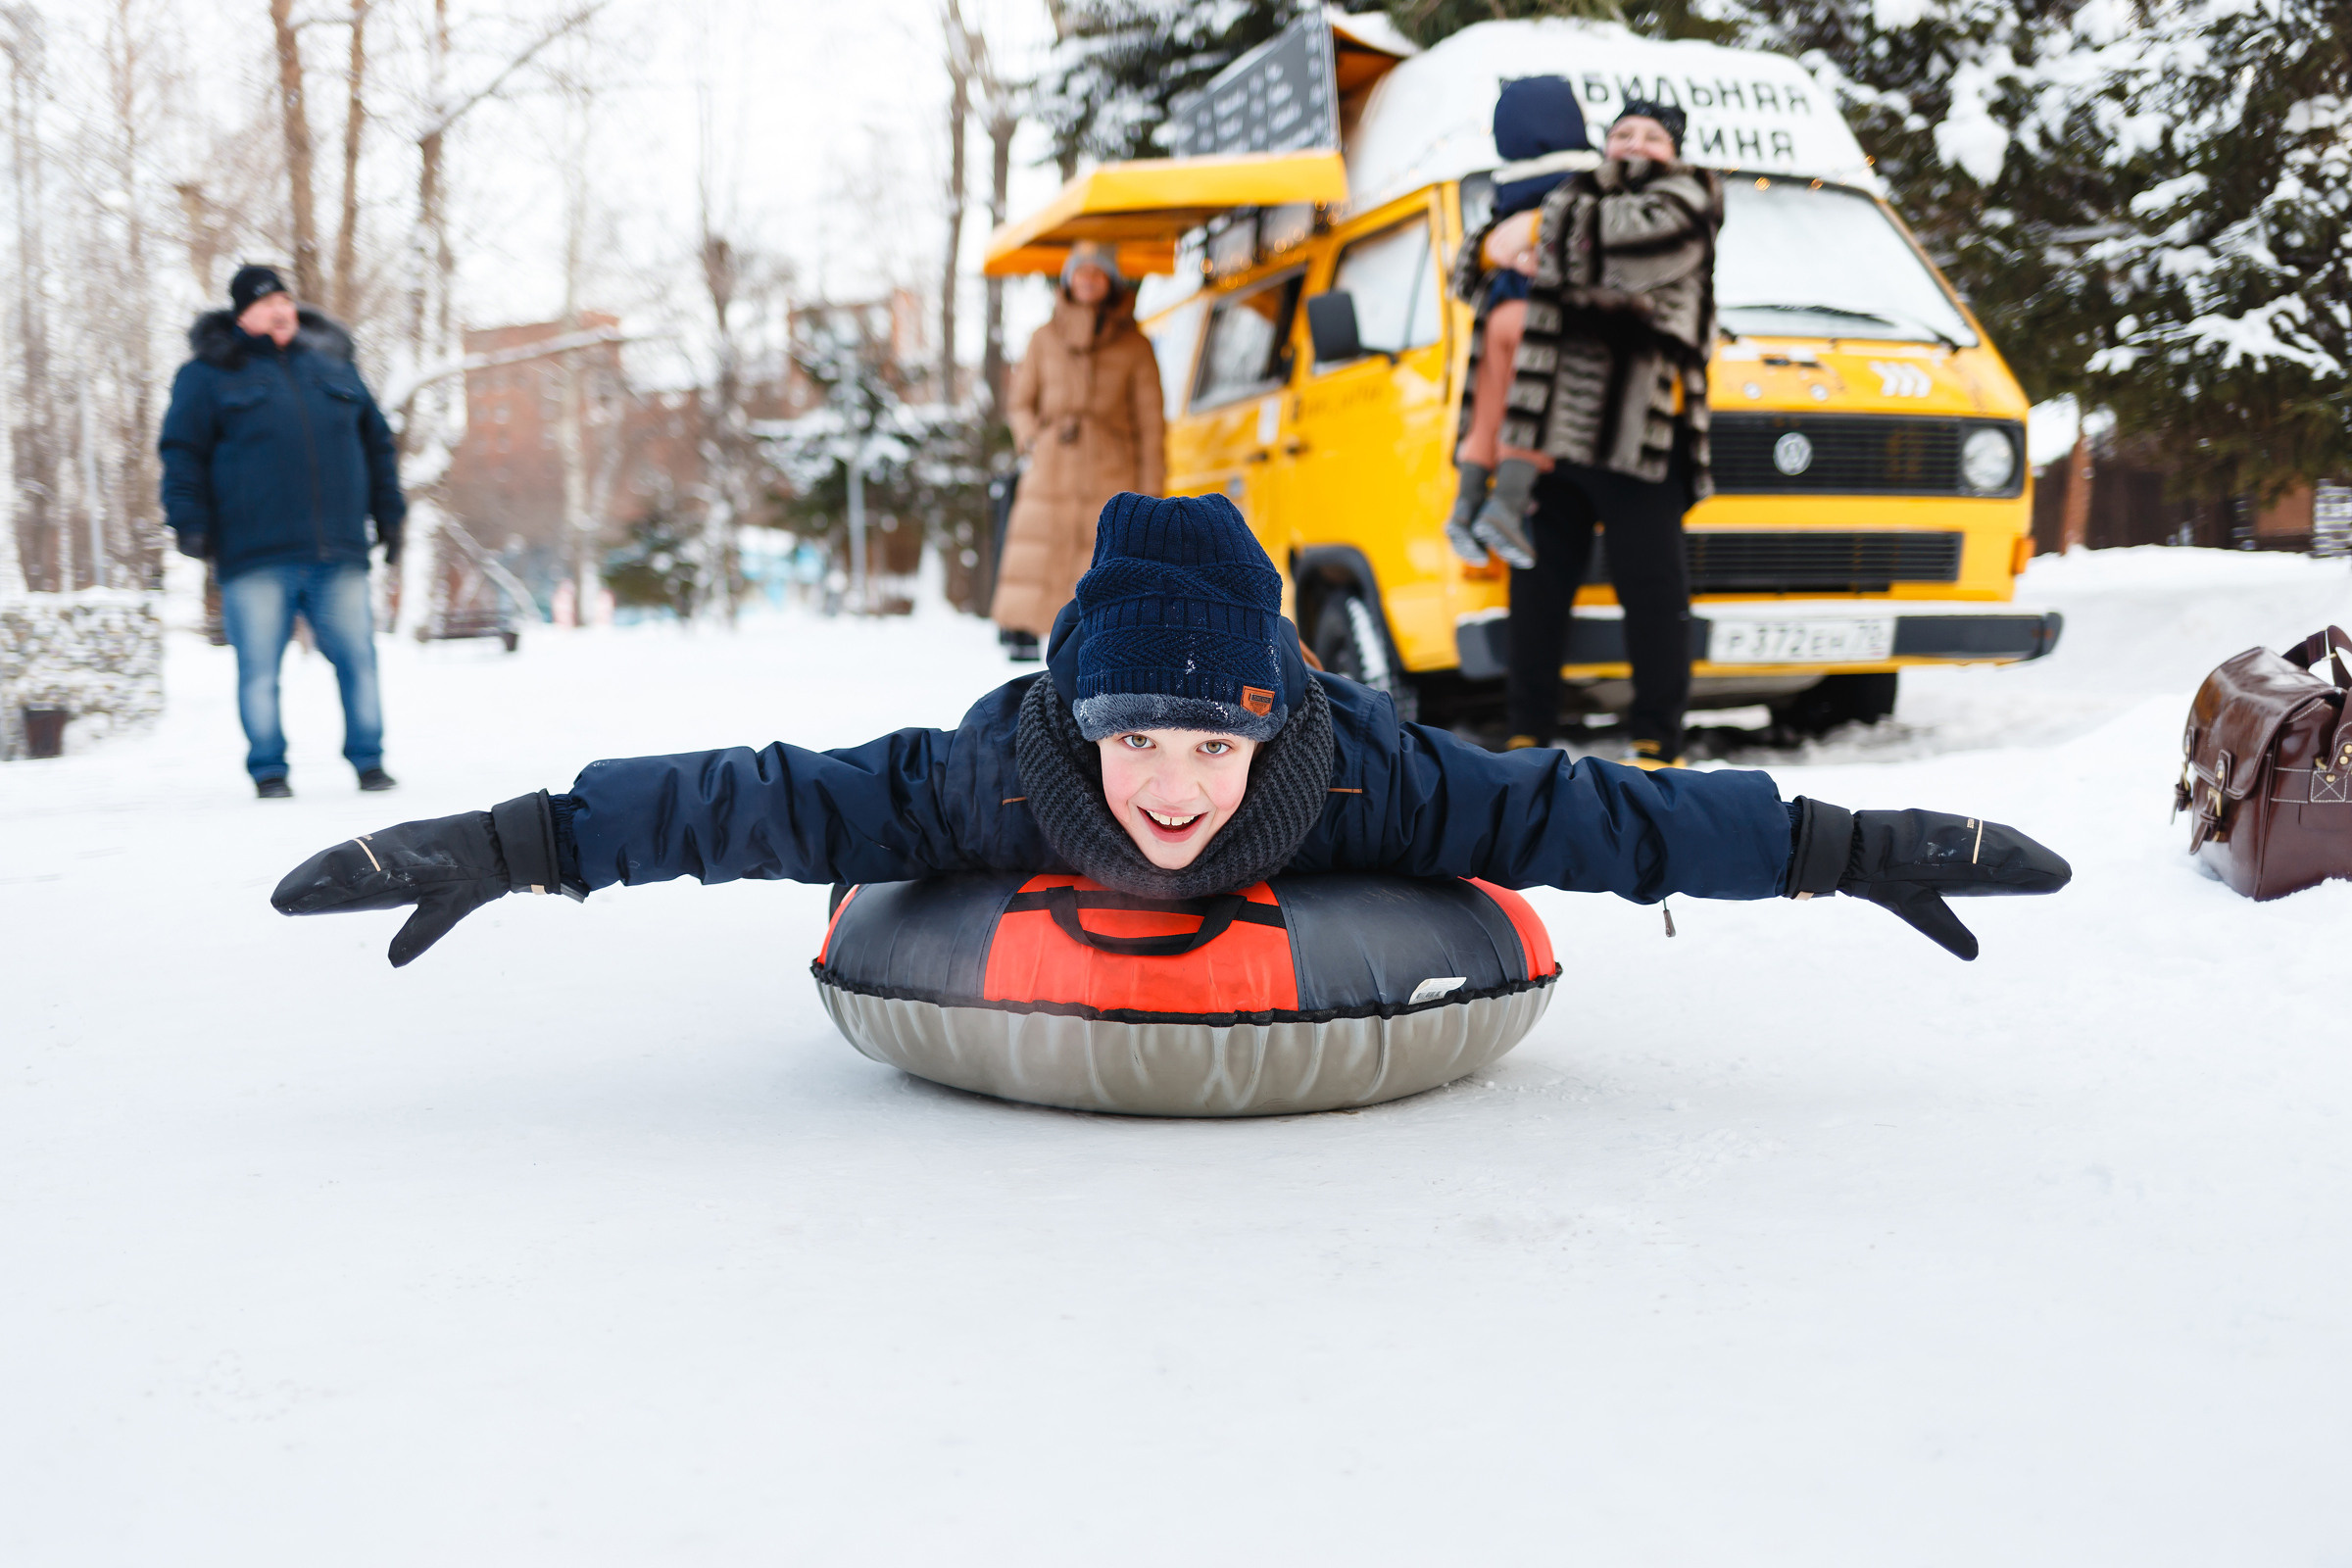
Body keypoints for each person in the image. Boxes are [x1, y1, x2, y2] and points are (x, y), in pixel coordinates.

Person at [270, 493, 2069, 975]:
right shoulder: (998, 774)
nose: (1175, 787)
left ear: (1273, 725)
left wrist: (1833, 846)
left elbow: (1588, 815)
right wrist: (523, 840)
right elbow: (769, 802)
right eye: (1143, 744)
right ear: (1079, 720)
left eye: (1214, 748)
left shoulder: (1364, 771)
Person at [1458, 101, 1719, 769]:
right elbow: (1475, 268)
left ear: (1675, 150)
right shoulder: (1577, 193)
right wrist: (1499, 241)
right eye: (1622, 133)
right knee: (1537, 585)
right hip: (1552, 427)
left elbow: (1621, 250)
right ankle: (1527, 734)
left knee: (1652, 589)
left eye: (1652, 136)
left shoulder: (1689, 196)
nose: (1635, 144)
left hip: (1638, 427)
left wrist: (1533, 229)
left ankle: (1659, 739)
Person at [159, 264, 406, 799]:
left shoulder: (335, 367)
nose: (280, 310)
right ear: (241, 314)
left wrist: (390, 513)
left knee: (359, 659)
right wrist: (189, 521)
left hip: (337, 546)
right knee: (258, 670)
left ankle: (370, 761)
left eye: (286, 301)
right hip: (254, 553)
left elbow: (378, 446)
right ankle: (269, 770)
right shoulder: (207, 375)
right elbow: (182, 452)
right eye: (266, 303)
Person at [990, 241, 1164, 662]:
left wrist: (1151, 496)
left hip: (1112, 467)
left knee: (1101, 560)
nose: (1088, 279)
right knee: (1040, 553)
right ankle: (1027, 640)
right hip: (1051, 465)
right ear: (1068, 279)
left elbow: (1151, 424)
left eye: (1097, 272)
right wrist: (1033, 437)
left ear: (1111, 281)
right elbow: (1019, 402)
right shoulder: (1042, 339)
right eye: (1080, 271)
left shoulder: (1135, 345)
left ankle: (1093, 654)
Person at [1445, 74, 1591, 561]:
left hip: (1497, 314)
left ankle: (1464, 505)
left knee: (1488, 413)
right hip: (1540, 315)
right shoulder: (1582, 179)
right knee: (1530, 411)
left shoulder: (1506, 184)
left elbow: (1471, 264)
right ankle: (1504, 507)